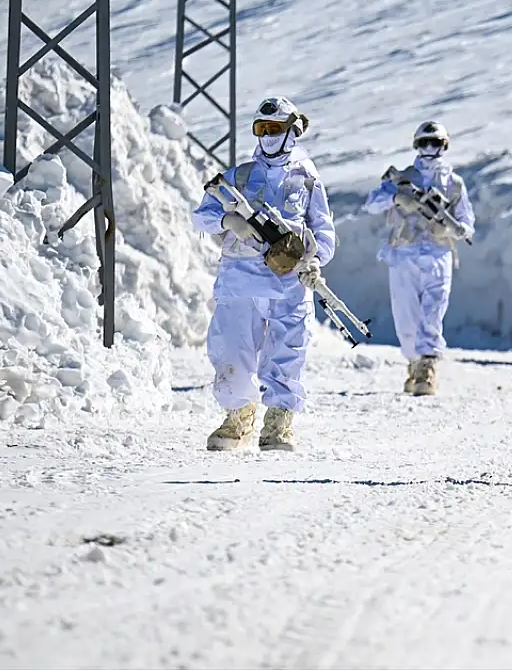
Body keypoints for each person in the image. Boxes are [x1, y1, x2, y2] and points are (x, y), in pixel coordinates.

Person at [191, 96, 336, 452]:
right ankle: (238, 418)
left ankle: (278, 425)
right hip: (240, 278)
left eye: (274, 128)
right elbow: (201, 215)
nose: (268, 136)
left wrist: (316, 260)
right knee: (231, 349)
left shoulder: (307, 181)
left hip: (288, 282)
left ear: (292, 131)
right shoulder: (237, 177)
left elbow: (324, 231)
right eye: (261, 129)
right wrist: (229, 220)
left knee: (288, 351)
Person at [363, 120, 475, 395]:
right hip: (404, 253)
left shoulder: (454, 183)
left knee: (434, 310)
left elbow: (466, 222)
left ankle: (428, 365)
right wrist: (397, 200)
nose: (429, 148)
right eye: (424, 142)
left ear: (444, 146)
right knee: (406, 315)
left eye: (435, 143)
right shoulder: (402, 178)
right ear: (416, 145)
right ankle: (414, 362)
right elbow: (371, 203)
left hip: (438, 253)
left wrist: (456, 227)